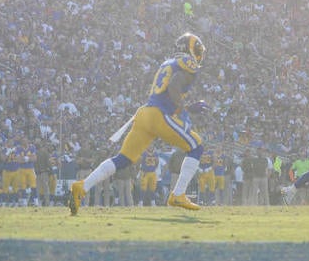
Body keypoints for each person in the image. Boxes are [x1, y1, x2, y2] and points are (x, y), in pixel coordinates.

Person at [68, 33, 209, 215]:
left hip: (144, 114)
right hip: (159, 115)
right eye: (198, 49)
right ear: (191, 48)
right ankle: (178, 194)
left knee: (124, 158)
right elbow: (174, 86)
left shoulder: (168, 63)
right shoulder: (187, 63)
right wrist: (187, 108)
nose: (199, 54)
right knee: (196, 146)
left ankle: (81, 187)